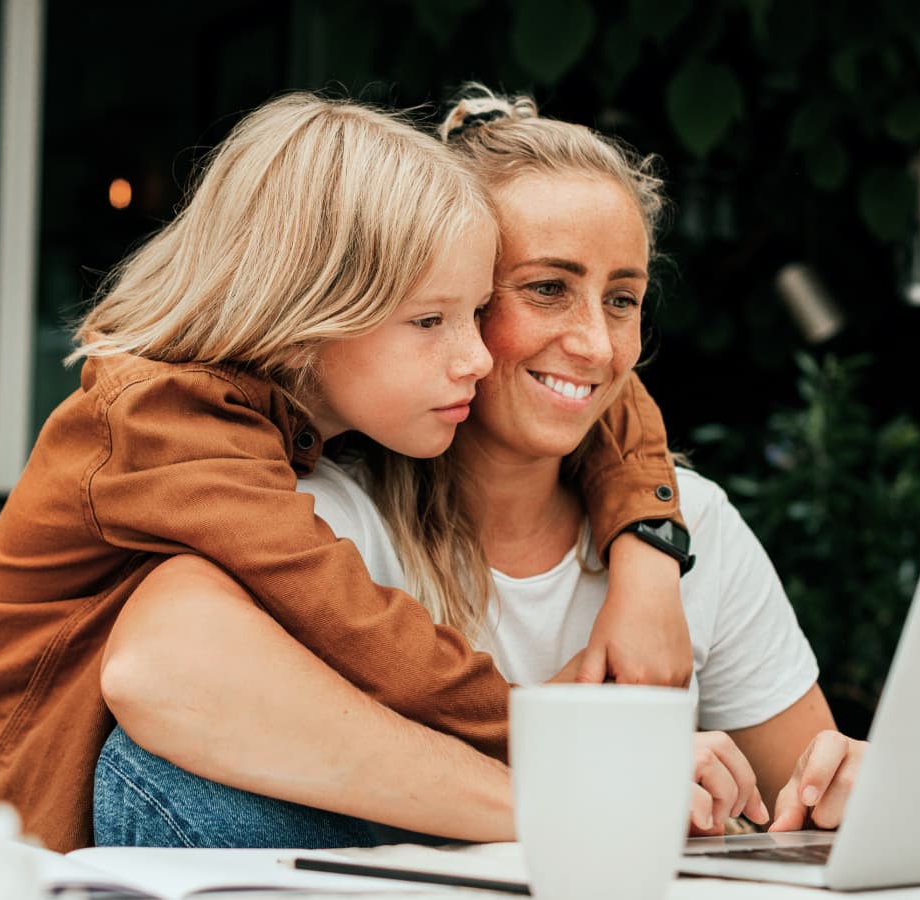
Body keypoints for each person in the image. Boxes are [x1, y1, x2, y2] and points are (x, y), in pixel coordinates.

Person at [0, 93, 698, 852]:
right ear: (311, 317)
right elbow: (354, 623)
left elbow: (598, 381)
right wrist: (568, 748)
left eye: (476, 314)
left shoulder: (279, 406)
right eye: (433, 320)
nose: (475, 356)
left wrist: (646, 550)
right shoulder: (163, 425)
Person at [92, 88, 867, 850]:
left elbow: (803, 798)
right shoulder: (322, 506)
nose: (596, 345)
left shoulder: (693, 529)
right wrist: (581, 784)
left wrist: (852, 786)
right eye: (545, 289)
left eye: (623, 299)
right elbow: (158, 665)